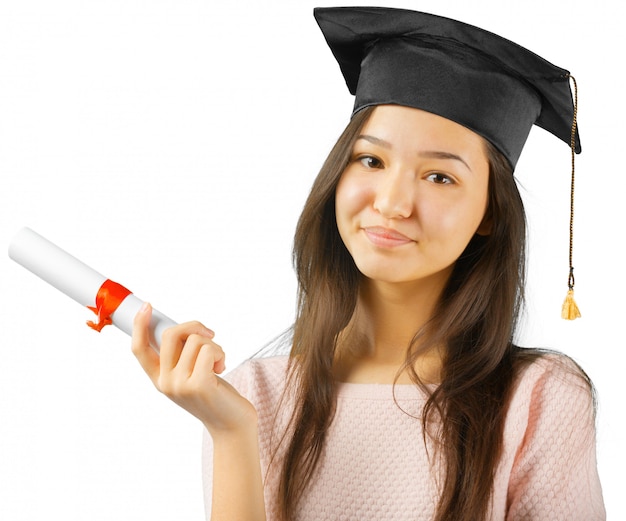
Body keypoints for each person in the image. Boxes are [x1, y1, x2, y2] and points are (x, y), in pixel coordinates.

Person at [131, 6, 605, 521]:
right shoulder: (251, 395)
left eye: (440, 177)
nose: (392, 202)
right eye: (371, 161)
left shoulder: (536, 397)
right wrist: (230, 430)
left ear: (489, 212)